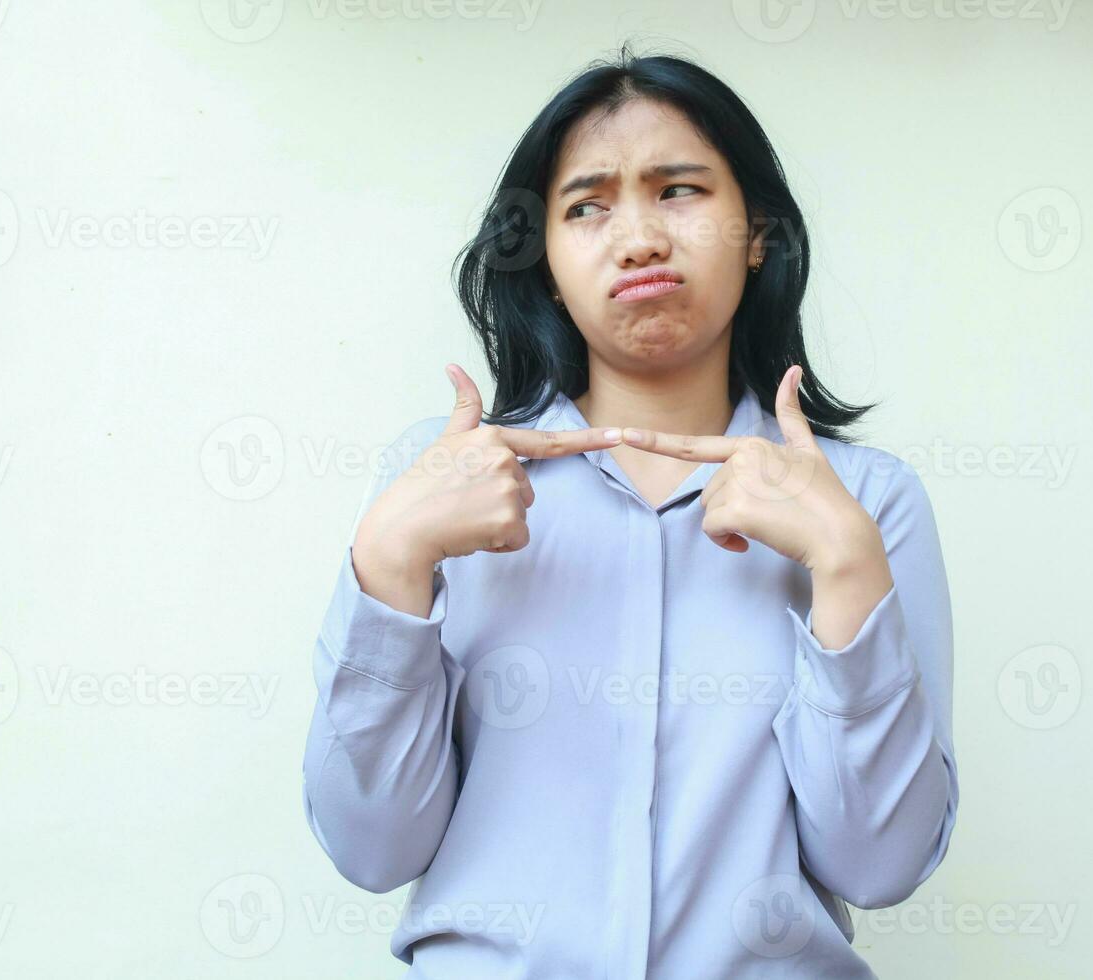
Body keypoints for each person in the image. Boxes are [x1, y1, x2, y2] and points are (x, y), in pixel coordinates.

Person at [300, 44, 958, 979]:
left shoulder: (869, 503)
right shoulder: (437, 485)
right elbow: (372, 851)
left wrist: (846, 569)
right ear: (547, 264)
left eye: (680, 190)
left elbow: (881, 865)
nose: (639, 237)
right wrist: (393, 565)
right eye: (587, 207)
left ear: (758, 230)